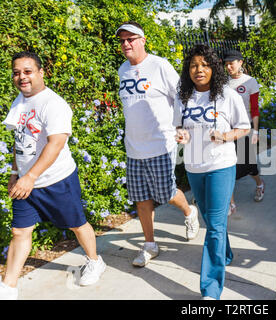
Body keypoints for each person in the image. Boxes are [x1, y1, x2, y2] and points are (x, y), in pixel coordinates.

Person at [0, 51, 106, 300]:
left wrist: (30, 177)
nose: (21, 77)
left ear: (40, 73)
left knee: (77, 224)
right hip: (27, 182)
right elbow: (20, 141)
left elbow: (56, 144)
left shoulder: (53, 103)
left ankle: (94, 261)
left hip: (56, 181)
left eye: (27, 71)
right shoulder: (20, 101)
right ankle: (9, 287)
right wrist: (16, 173)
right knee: (20, 232)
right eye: (16, 73)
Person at [115, 21, 199, 267]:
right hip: (134, 147)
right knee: (141, 198)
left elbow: (182, 96)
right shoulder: (122, 70)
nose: (126, 44)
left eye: (131, 39)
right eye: (122, 41)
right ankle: (150, 245)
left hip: (162, 143)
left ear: (143, 40)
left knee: (166, 193)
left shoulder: (159, 65)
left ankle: (189, 212)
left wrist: (182, 126)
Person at [174, 44, 250, 299]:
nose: (199, 70)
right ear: (188, 70)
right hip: (194, 166)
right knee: (212, 221)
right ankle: (225, 254)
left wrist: (227, 135)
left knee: (214, 227)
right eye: (194, 65)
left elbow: (244, 127)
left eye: (205, 65)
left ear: (213, 68)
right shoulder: (183, 97)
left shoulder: (227, 96)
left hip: (221, 166)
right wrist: (181, 135)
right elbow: (178, 127)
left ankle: (211, 289)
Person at [223, 49, 265, 216]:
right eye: (226, 64)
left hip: (244, 128)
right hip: (227, 130)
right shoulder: (224, 82)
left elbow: (254, 109)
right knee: (227, 165)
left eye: (231, 63)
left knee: (249, 165)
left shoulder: (250, 82)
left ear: (240, 63)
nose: (228, 67)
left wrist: (255, 131)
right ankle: (230, 203)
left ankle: (260, 183)